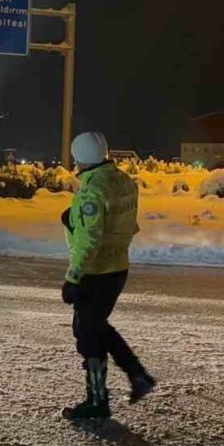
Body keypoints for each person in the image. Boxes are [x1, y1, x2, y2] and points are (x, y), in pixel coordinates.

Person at [60, 131, 156, 419]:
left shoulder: (91, 191)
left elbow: (89, 239)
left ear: (79, 158)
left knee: (88, 333)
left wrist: (73, 277)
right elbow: (128, 225)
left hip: (95, 272)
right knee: (96, 326)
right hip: (117, 268)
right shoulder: (125, 181)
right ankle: (135, 376)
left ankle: (100, 401)